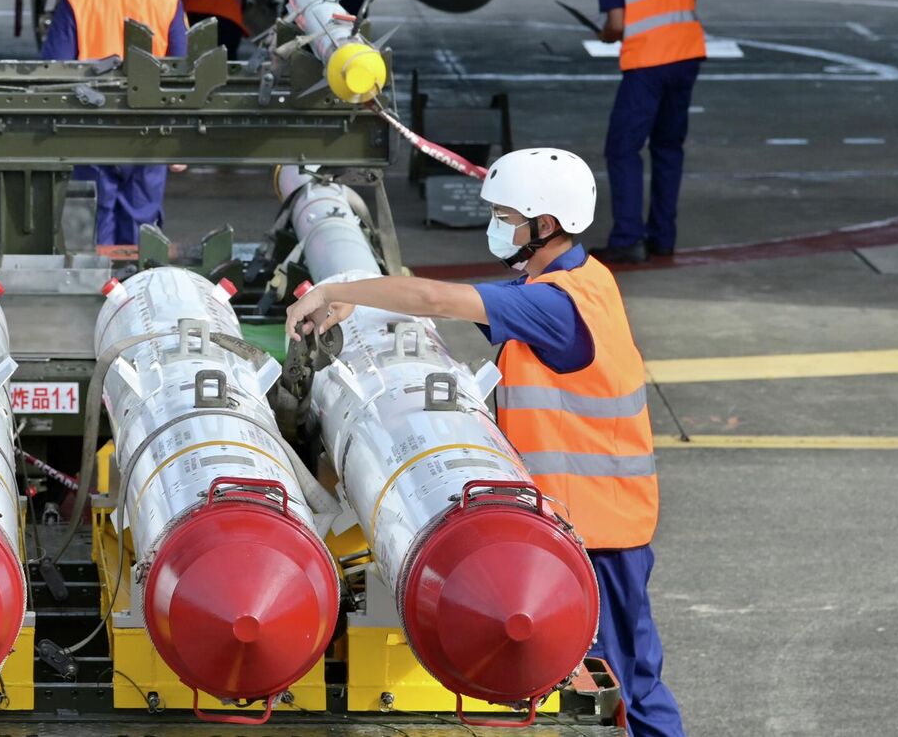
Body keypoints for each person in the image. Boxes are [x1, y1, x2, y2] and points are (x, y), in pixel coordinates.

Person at [285, 147, 684, 737]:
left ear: (543, 225)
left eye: (505, 216)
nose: (496, 227)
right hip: (582, 518)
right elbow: (466, 298)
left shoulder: (555, 304)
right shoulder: (573, 281)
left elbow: (436, 300)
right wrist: (362, 297)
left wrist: (337, 293)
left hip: (601, 528)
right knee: (581, 669)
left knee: (624, 680)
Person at [41, 0, 188, 247]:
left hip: (91, 128)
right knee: (142, 228)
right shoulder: (167, 0)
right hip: (150, 129)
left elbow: (53, 67)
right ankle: (135, 289)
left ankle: (99, 291)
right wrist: (179, 141)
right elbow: (182, 73)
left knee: (93, 225)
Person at [586, 0, 704, 264]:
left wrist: (606, 34)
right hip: (687, 55)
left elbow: (618, 22)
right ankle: (663, 239)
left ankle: (626, 238)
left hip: (648, 63)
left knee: (622, 149)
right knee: (668, 147)